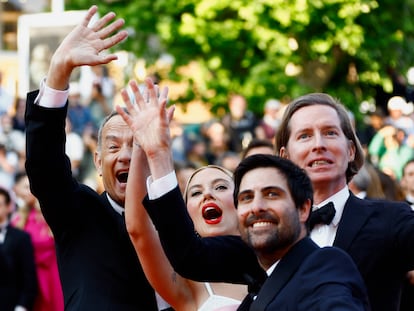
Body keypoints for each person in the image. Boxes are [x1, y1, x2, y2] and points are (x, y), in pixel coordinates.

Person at [138, 91, 414, 311]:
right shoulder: (266, 233)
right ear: (284, 156)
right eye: (305, 136)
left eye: (330, 132)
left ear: (351, 149)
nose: (319, 144)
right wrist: (160, 157)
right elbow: (189, 256)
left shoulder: (391, 220)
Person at [24, 6, 171, 310]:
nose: (126, 155)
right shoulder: (79, 213)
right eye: (114, 147)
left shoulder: (178, 223)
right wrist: (58, 72)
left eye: (136, 145)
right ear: (97, 161)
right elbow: (45, 164)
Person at [123, 105, 247, 309]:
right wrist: (142, 144)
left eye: (221, 186)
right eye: (196, 193)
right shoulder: (187, 281)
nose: (208, 194)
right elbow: (139, 231)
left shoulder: (270, 258)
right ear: (185, 213)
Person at [11, 171, 64, 311]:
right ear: (16, 190)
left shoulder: (51, 215)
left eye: (30, 187)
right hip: (31, 278)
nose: (28, 191)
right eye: (25, 187)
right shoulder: (18, 219)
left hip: (54, 276)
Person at [0, 187, 38, 311]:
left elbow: (29, 277)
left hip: (10, 304)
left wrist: (22, 306)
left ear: (8, 207)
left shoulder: (21, 238)